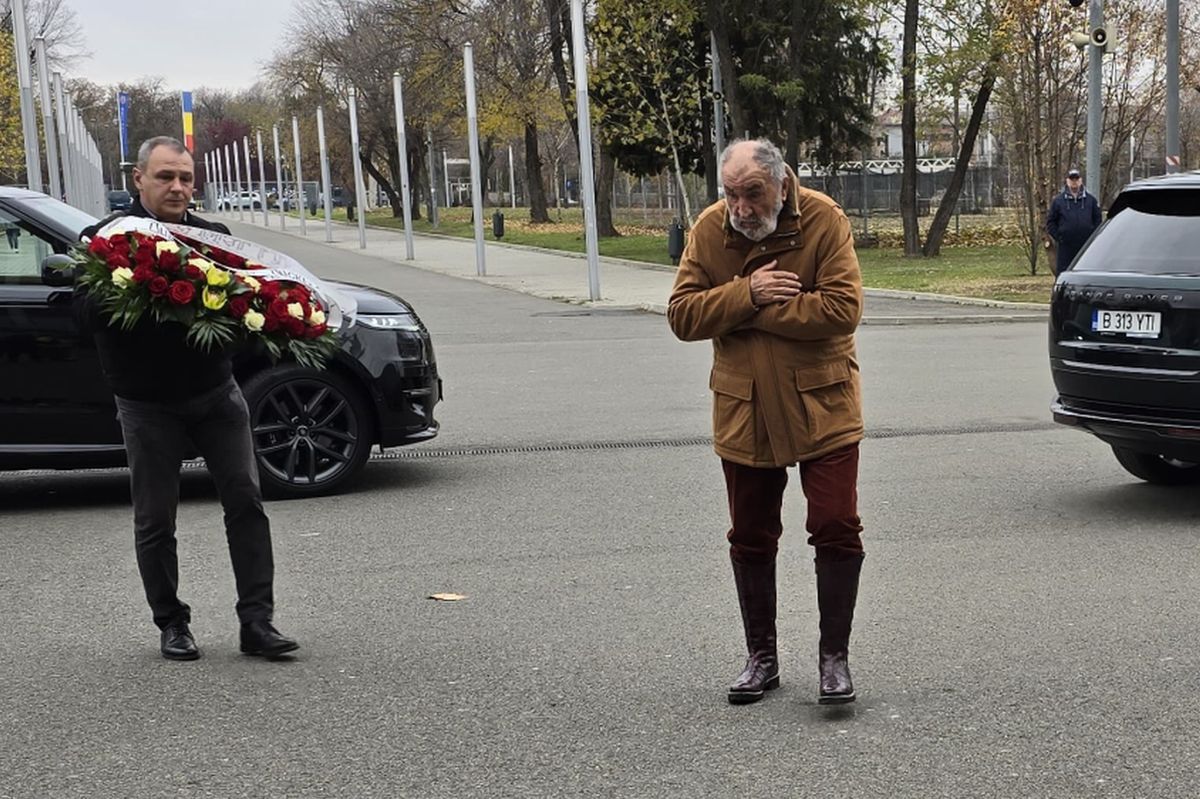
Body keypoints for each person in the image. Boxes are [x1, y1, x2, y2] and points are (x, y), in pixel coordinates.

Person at [76, 136, 299, 662]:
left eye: (185, 178)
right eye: (165, 177)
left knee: (246, 502)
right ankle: (172, 624)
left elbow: (245, 317)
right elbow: (81, 317)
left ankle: (257, 623)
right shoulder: (106, 240)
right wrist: (135, 281)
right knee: (156, 519)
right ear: (138, 179)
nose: (177, 187)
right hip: (146, 404)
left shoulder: (212, 238)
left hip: (216, 395)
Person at [668, 138, 866, 705]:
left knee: (835, 526)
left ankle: (834, 661)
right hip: (745, 406)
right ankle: (762, 659)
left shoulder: (825, 221)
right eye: (731, 194)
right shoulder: (711, 229)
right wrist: (748, 293)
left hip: (822, 402)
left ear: (782, 185)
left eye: (752, 194)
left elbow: (841, 309)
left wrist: (752, 313)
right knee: (751, 536)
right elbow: (682, 315)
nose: (742, 208)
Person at [1046, 167, 1102, 276]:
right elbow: (1051, 222)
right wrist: (1060, 237)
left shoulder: (1091, 201)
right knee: (1064, 275)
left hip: (1086, 246)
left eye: (1076, 179)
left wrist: (1092, 238)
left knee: (1086, 274)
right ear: (1067, 181)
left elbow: (1098, 221)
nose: (1074, 182)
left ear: (1081, 181)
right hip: (1065, 247)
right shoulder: (1058, 202)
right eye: (1072, 179)